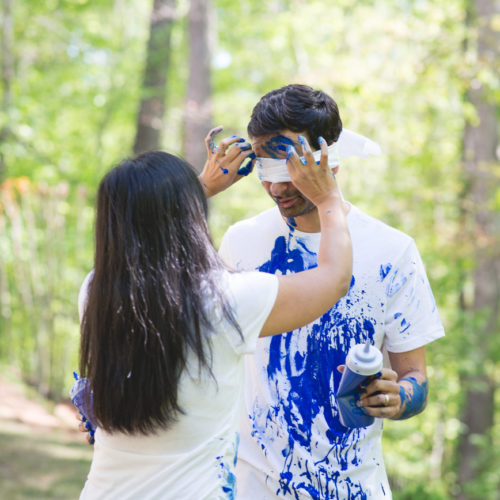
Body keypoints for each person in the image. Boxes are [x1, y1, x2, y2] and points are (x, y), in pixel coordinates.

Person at [75, 132, 352, 499]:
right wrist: (329, 198)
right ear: (188, 215)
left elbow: (145, 233)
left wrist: (196, 188)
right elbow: (333, 278)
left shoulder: (96, 292)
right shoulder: (225, 300)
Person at [218, 84, 445, 499]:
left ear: (329, 162)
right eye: (266, 173)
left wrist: (399, 397)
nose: (277, 189)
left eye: (289, 172)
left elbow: (417, 380)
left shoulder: (393, 251)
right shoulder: (240, 242)